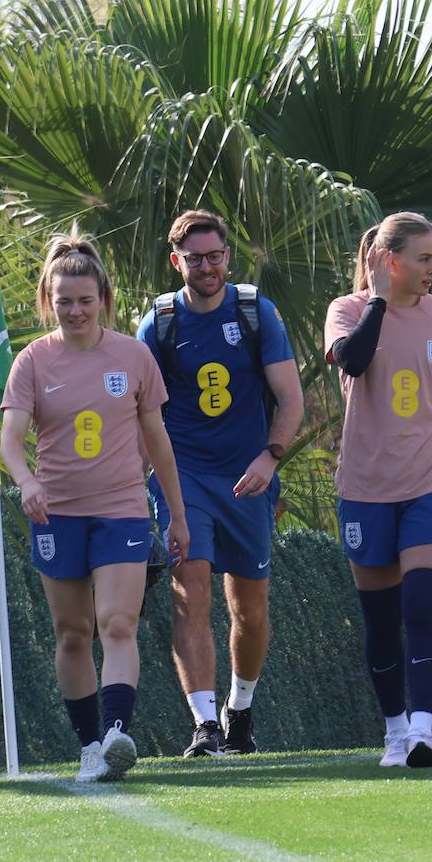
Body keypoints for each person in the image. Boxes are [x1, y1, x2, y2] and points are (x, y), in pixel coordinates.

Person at [0, 231, 190, 782]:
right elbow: (10, 438)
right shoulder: (32, 361)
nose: (75, 310)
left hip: (123, 510)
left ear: (104, 298)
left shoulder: (133, 356)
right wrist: (26, 482)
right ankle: (88, 746)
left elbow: (158, 440)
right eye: (64, 302)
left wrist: (176, 514)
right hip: (55, 514)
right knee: (73, 632)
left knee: (117, 622)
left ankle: (115, 736)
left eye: (85, 300)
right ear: (48, 300)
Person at [137, 210, 304, 757]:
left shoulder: (256, 311)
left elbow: (291, 399)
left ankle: (240, 712)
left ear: (228, 256)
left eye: (215, 256)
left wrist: (269, 458)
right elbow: (138, 413)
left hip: (248, 478)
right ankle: (204, 726)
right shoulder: (159, 322)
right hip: (183, 478)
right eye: (194, 259)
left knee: (249, 609)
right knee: (192, 591)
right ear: (175, 261)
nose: (206, 267)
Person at [326, 212, 432, 768]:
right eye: (425, 258)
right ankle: (392, 730)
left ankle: (423, 730)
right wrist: (379, 300)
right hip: (366, 486)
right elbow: (354, 360)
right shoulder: (347, 311)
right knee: (382, 617)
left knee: (423, 606)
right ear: (391, 261)